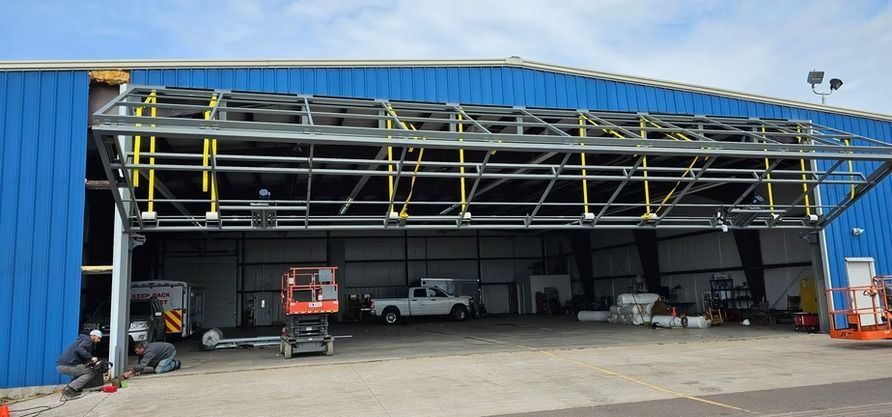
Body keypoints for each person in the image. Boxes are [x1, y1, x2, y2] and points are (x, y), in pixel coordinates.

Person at [56, 330, 102, 399]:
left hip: (62, 366)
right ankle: (69, 389)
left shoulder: (81, 340)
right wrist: (91, 357)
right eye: (98, 338)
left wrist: (89, 361)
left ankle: (74, 389)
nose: (99, 341)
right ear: (94, 335)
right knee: (90, 372)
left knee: (82, 370)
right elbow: (80, 349)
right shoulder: (88, 340)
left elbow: (80, 353)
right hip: (67, 365)